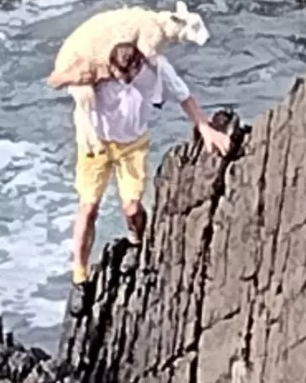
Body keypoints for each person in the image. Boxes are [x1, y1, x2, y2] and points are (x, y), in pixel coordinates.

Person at [70, 40, 230, 292]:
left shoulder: (157, 70)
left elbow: (184, 97)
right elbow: (56, 80)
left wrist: (206, 129)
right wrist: (79, 75)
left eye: (129, 77)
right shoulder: (97, 71)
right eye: (117, 76)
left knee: (132, 208)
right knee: (88, 208)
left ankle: (138, 241)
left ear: (139, 65)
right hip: (96, 144)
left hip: (132, 144)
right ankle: (79, 275)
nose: (123, 82)